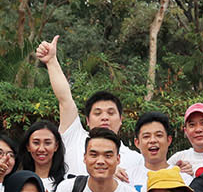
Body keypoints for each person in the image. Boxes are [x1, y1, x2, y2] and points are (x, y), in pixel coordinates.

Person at [35, 35, 144, 179]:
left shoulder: (135, 159)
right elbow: (65, 99)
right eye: (97, 113)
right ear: (87, 120)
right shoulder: (74, 138)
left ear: (121, 119)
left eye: (111, 113)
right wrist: (51, 61)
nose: (104, 117)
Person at [14, 120, 68, 192]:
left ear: (56, 146)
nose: (41, 149)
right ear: (28, 146)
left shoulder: (68, 182)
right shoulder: (17, 181)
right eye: (36, 143)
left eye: (47, 143)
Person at [126, 112, 176, 192]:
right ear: (137, 143)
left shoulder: (183, 178)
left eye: (159, 135)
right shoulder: (127, 179)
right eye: (146, 136)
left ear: (169, 140)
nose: (153, 140)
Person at [170, 103, 203, 178]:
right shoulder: (177, 159)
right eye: (192, 125)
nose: (198, 129)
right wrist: (175, 172)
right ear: (185, 131)